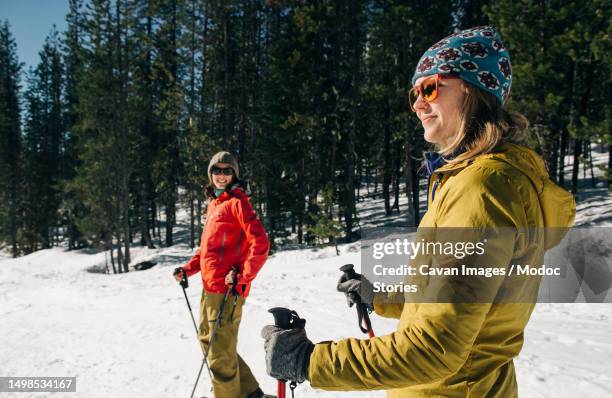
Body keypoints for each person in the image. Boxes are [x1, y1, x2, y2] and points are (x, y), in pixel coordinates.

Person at [261, 26, 576, 397]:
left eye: (430, 88)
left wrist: (309, 361)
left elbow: (435, 348)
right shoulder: (485, 180)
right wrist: (377, 298)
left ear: (473, 90)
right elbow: (450, 299)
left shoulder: (483, 188)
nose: (417, 104)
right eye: (414, 94)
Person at [175, 151, 270, 398]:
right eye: (217, 170)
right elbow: (209, 249)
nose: (221, 175)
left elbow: (260, 244)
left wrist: (242, 276)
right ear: (210, 173)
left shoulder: (238, 203)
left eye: (227, 171)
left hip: (227, 290)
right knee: (211, 341)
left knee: (218, 350)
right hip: (210, 287)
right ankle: (250, 392)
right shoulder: (215, 204)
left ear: (234, 174)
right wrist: (188, 269)